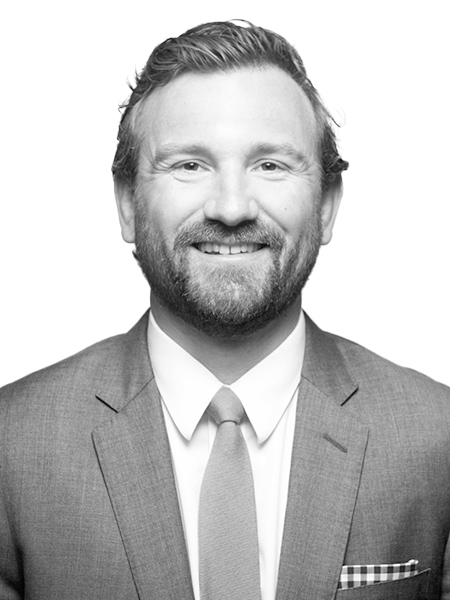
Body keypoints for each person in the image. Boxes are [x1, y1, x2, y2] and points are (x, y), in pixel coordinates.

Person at [1, 19, 449, 600]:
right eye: (189, 164)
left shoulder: (437, 436)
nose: (232, 207)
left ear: (329, 207)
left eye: (271, 165)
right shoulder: (12, 445)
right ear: (128, 206)